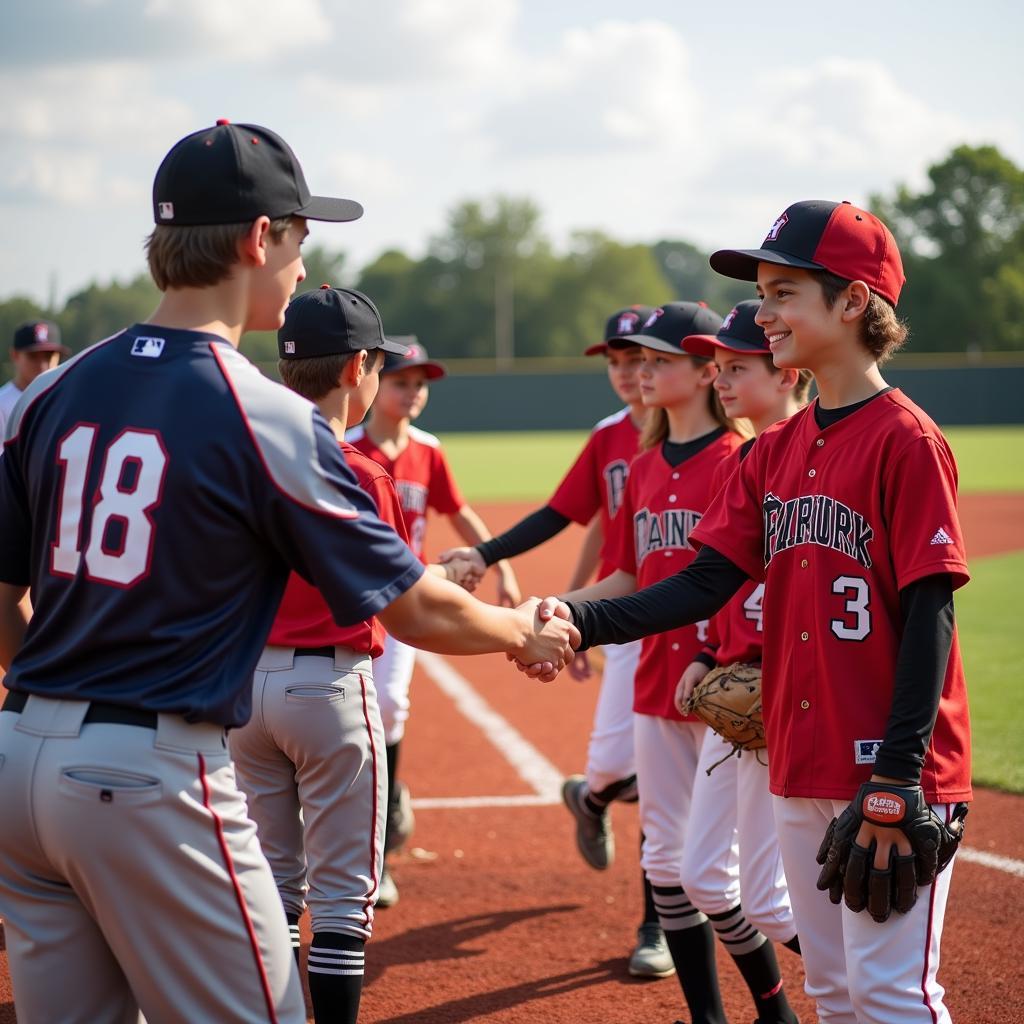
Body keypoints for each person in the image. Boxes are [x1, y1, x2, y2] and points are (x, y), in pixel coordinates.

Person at [0, 119, 577, 1024]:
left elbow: (2, 593)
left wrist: (53, 709)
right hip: (148, 773)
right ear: (257, 238)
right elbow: (413, 606)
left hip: (18, 759)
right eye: (301, 238)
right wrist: (523, 631)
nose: (304, 265)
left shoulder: (49, 390)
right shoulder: (261, 411)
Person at [536, 201, 971, 1024]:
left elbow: (930, 618)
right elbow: (701, 584)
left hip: (885, 769)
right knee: (836, 992)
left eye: (783, 292)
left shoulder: (905, 439)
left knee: (891, 995)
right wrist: (576, 620)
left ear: (852, 302)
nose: (762, 312)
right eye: (762, 293)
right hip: (796, 755)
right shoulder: (772, 451)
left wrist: (896, 777)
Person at [229, 285, 476, 1024]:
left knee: (272, 884)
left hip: (245, 692)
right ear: (357, 370)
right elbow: (402, 600)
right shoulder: (362, 469)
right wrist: (510, 625)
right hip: (328, 688)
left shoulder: (246, 455)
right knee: (342, 898)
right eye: (380, 366)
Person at [439, 304, 677, 979]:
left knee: (666, 787)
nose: (632, 373)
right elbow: (573, 518)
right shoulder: (612, 439)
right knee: (609, 767)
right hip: (632, 620)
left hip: (697, 623)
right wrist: (496, 561)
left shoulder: (707, 433)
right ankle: (592, 798)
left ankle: (655, 923)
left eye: (646, 359)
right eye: (620, 361)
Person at [558, 301, 750, 1024]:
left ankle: (776, 1005)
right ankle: (707, 1015)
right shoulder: (640, 468)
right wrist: (560, 614)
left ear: (706, 372)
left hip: (726, 685)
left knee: (729, 880)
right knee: (668, 863)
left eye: (660, 360)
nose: (642, 371)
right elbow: (627, 577)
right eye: (638, 360)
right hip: (653, 684)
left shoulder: (740, 461)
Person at [673, 300, 809, 1024]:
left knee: (763, 896)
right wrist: (702, 648)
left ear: (786, 373)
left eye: (737, 367)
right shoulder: (750, 456)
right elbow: (716, 581)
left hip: (777, 705)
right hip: (736, 699)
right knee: (703, 879)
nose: (720, 380)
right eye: (718, 367)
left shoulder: (801, 454)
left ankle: (852, 979)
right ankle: (783, 1009)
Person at [348, 342, 522, 905]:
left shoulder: (427, 449)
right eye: (403, 380)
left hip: (408, 594)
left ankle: (382, 838)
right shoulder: (348, 447)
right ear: (375, 382)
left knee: (390, 708)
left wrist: (499, 559)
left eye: (423, 382)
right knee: (348, 721)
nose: (415, 391)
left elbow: (458, 510)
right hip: (352, 598)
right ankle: (366, 821)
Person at [0, 319, 71, 438]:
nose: (42, 365)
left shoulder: (66, 402)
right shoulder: (2, 404)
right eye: (33, 356)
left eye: (48, 357)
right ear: (15, 355)